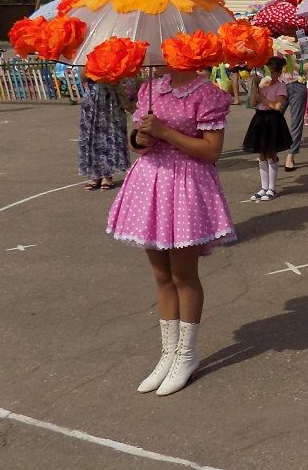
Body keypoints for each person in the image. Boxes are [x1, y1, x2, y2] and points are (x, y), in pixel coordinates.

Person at [106, 67, 234, 396]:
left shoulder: (207, 93)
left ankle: (187, 355)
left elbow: (211, 151)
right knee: (161, 276)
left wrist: (164, 131)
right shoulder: (151, 88)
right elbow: (138, 145)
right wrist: (141, 137)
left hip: (186, 187)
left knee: (183, 276)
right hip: (152, 185)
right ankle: (169, 353)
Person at [242, 56, 292, 202]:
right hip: (260, 118)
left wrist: (262, 98)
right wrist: (254, 86)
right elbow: (252, 102)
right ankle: (263, 187)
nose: (271, 74)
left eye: (274, 71)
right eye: (269, 70)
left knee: (271, 153)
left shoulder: (280, 86)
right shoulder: (263, 84)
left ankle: (272, 188)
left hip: (272, 119)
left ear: (279, 71)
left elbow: (277, 106)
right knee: (261, 154)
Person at [78, 78, 132, 191]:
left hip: (111, 96)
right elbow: (82, 76)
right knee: (92, 135)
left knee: (110, 134)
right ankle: (95, 174)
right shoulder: (86, 60)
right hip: (92, 97)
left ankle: (107, 175)